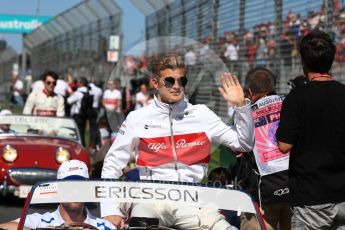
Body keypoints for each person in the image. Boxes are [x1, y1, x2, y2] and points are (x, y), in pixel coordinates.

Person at [101, 54, 255, 229]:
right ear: (155, 83)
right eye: (169, 81)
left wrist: (242, 106)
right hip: (151, 200)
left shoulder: (202, 114)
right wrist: (109, 209)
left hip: (193, 200)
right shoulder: (137, 118)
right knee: (140, 221)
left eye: (182, 81)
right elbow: (112, 163)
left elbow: (244, 143)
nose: (176, 86)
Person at [276, 30, 345, 229]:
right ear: (331, 60)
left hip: (311, 198)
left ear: (303, 62)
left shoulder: (297, 97)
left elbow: (284, 145)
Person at [0, 159, 115, 230]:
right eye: (69, 185)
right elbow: (5, 226)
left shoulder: (104, 226)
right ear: (59, 189)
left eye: (80, 185)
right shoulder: (39, 221)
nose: (75, 191)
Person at [244, 67, 291, 230]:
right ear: (274, 86)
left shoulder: (245, 114)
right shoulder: (292, 103)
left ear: (249, 92)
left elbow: (236, 148)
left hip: (262, 195)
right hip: (297, 187)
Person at [67, 77, 90, 146]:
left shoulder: (78, 93)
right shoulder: (88, 91)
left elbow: (69, 101)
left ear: (81, 83)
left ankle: (79, 146)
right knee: (82, 132)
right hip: (84, 115)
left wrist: (71, 94)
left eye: (77, 82)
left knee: (76, 133)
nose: (76, 83)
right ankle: (83, 145)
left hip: (77, 115)